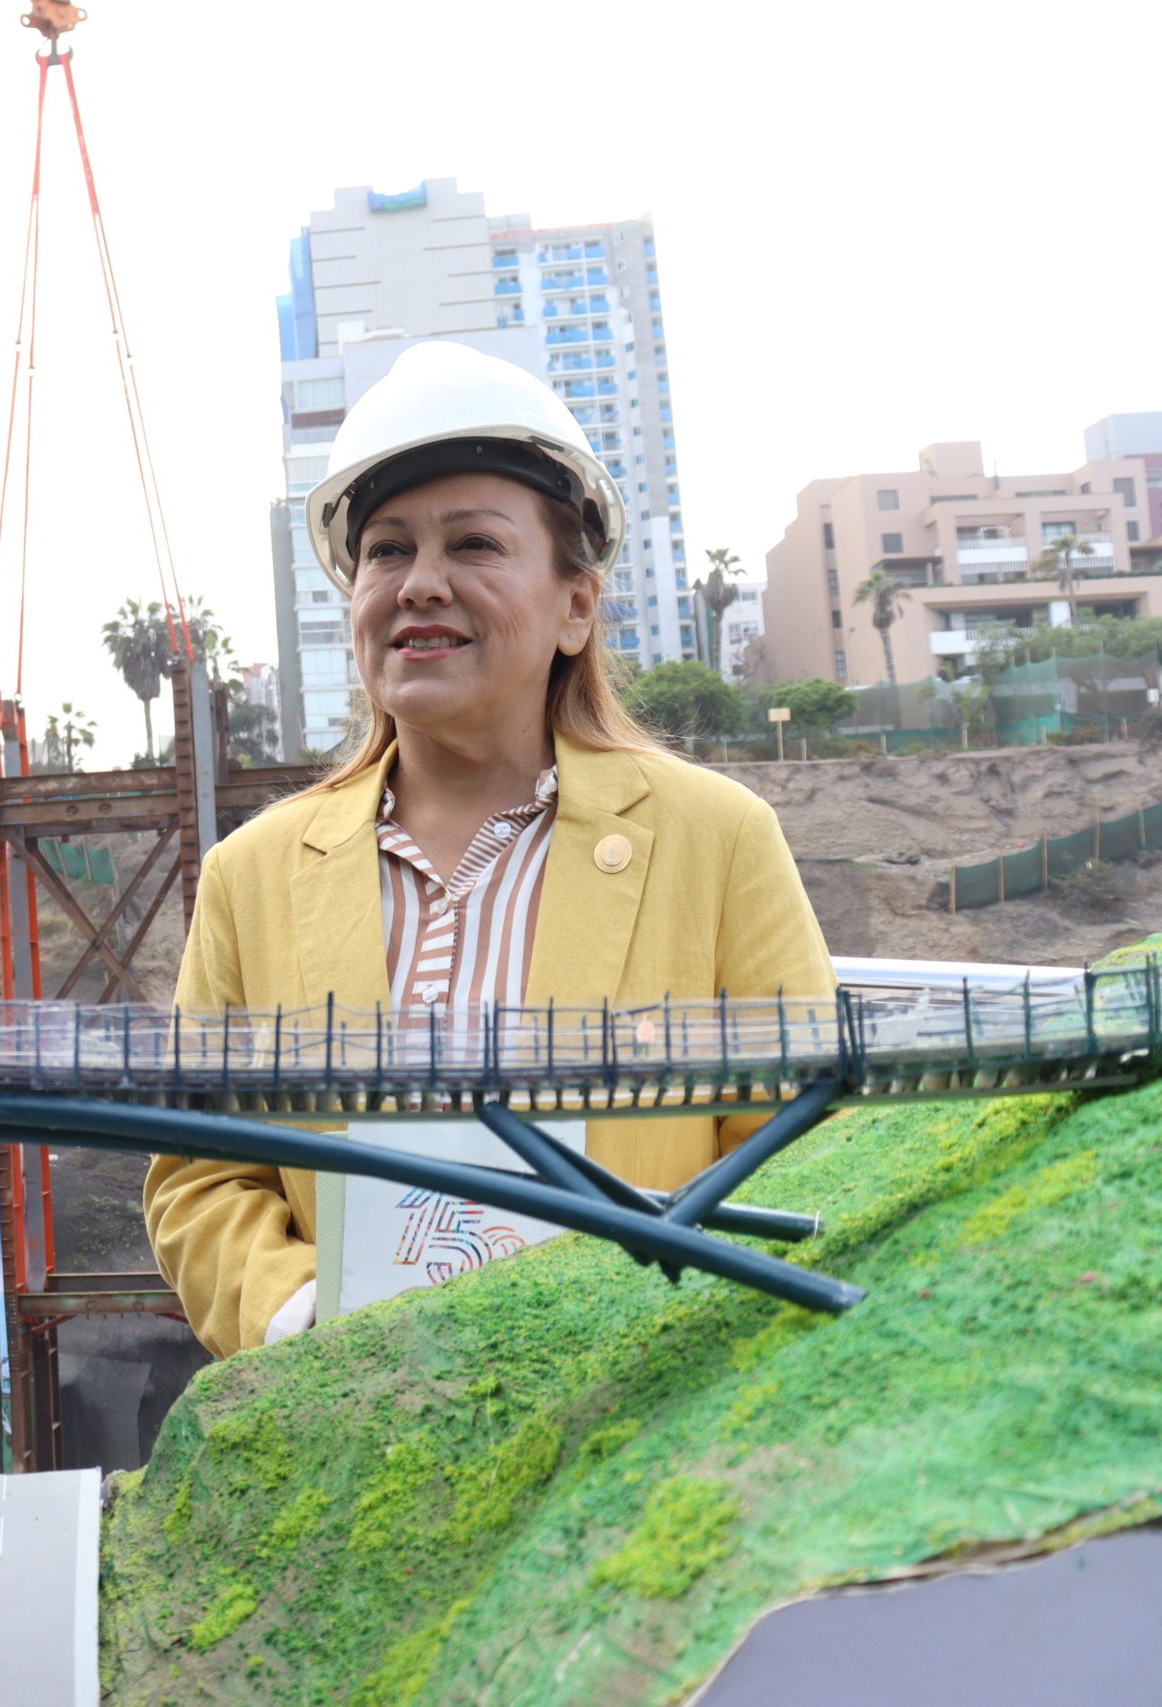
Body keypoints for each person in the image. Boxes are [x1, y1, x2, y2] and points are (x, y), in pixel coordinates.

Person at [143, 341, 832, 1359]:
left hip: (633, 1407)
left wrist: (658, 1341)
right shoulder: (254, 876)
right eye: (387, 550)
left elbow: (804, 1153)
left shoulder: (713, 840)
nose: (420, 584)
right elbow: (199, 1175)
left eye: (472, 544)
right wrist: (304, 1322)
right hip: (352, 1414)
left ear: (575, 605)